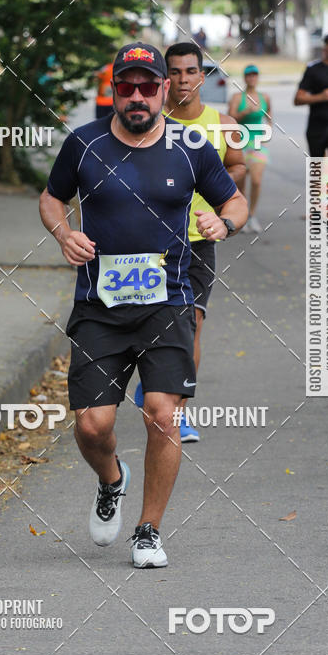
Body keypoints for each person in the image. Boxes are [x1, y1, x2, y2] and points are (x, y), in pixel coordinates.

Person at [39, 42, 247, 567]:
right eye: (125, 86)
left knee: (162, 414)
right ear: (114, 90)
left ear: (162, 90)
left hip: (168, 302)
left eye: (146, 86)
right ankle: (112, 481)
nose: (136, 96)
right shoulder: (84, 144)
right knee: (92, 425)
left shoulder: (191, 147)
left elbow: (234, 199)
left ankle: (149, 530)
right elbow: (50, 198)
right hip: (99, 304)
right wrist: (64, 233)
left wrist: (226, 222)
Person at [133, 41, 246, 443]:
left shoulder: (225, 125)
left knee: (191, 324)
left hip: (198, 242)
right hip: (147, 242)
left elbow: (236, 167)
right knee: (146, 321)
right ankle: (150, 383)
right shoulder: (147, 120)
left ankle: (178, 412)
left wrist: (223, 212)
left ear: (203, 75)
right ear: (164, 79)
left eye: (190, 71)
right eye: (175, 72)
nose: (183, 79)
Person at [228, 64, 272, 234]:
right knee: (241, 185)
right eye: (249, 75)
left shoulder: (265, 97)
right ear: (245, 78)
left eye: (255, 75)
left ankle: (252, 214)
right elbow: (230, 119)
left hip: (257, 145)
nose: (252, 78)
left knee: (256, 180)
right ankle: (243, 216)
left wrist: (266, 136)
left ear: (258, 77)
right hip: (240, 144)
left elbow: (269, 118)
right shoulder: (238, 97)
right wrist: (244, 113)